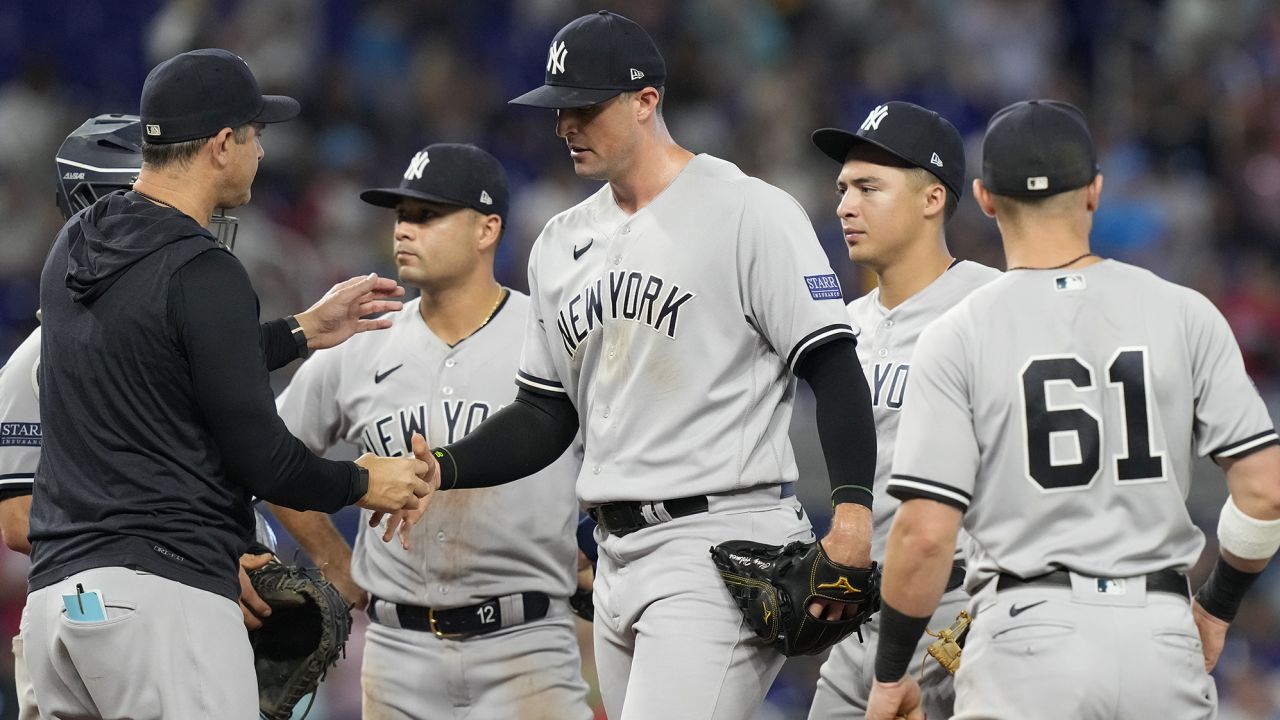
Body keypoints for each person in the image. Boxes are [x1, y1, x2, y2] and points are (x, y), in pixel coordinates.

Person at [384, 11, 879, 719]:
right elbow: (545, 410)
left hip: (722, 542)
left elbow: (832, 367)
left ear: (647, 101)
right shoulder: (560, 240)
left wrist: (854, 515)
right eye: (560, 110)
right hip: (615, 557)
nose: (566, 126)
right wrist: (447, 467)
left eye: (585, 107)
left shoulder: (747, 211)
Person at [23, 49, 434, 720]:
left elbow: (165, 353)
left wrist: (300, 329)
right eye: (254, 133)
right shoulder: (202, 270)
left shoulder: (73, 246)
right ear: (221, 145)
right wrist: (363, 482)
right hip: (159, 604)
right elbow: (265, 461)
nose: (262, 151)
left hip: (59, 608)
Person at [866, 100, 1280, 720]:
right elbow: (1266, 492)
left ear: (983, 197)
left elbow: (925, 535)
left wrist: (892, 673)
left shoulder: (958, 333)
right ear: (1094, 190)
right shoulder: (1184, 312)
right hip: (1160, 637)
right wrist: (1215, 607)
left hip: (1027, 637)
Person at [272, 142, 592, 719]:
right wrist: (332, 559)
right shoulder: (361, 342)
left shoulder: (548, 336)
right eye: (401, 215)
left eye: (429, 215)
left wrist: (593, 549)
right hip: (397, 651)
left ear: (487, 229)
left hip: (528, 646)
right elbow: (269, 457)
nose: (405, 230)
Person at [805, 101, 1000, 720]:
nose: (844, 206)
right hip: (856, 622)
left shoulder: (991, 306)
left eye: (869, 187)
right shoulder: (837, 331)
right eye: (842, 188)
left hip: (958, 616)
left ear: (932, 198)